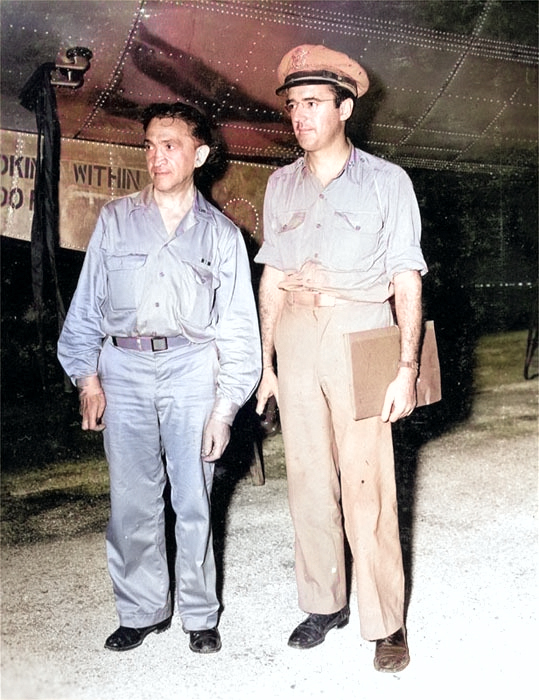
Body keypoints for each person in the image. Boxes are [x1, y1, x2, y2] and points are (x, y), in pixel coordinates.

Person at [58, 102, 261, 654]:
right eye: (149, 145)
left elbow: (239, 329)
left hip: (192, 368)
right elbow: (85, 309)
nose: (156, 156)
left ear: (199, 154)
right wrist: (87, 379)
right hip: (122, 369)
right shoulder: (116, 219)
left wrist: (225, 409)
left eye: (169, 145)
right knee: (131, 499)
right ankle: (141, 610)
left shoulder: (221, 235)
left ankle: (199, 614)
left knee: (194, 495)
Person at [255, 45, 427, 673]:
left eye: (313, 104)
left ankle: (386, 620)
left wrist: (405, 368)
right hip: (297, 336)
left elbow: (407, 279)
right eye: (293, 106)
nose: (299, 116)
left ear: (345, 108)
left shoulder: (388, 182)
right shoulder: (279, 184)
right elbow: (272, 276)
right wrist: (267, 364)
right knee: (307, 481)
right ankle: (323, 603)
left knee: (369, 488)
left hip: (361, 332)